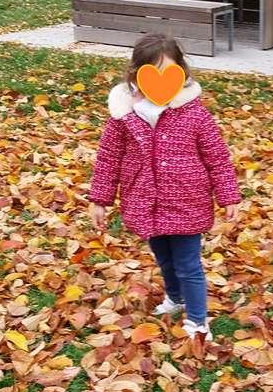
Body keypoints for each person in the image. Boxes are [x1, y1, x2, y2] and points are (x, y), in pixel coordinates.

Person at [88, 34, 241, 340]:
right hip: (145, 202)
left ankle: (198, 320)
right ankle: (176, 298)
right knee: (164, 258)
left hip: (187, 201)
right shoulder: (124, 115)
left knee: (188, 264)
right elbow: (108, 158)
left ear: (181, 73)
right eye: (151, 74)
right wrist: (99, 199)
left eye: (168, 72)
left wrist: (228, 195)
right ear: (136, 75)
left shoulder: (194, 113)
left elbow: (217, 157)